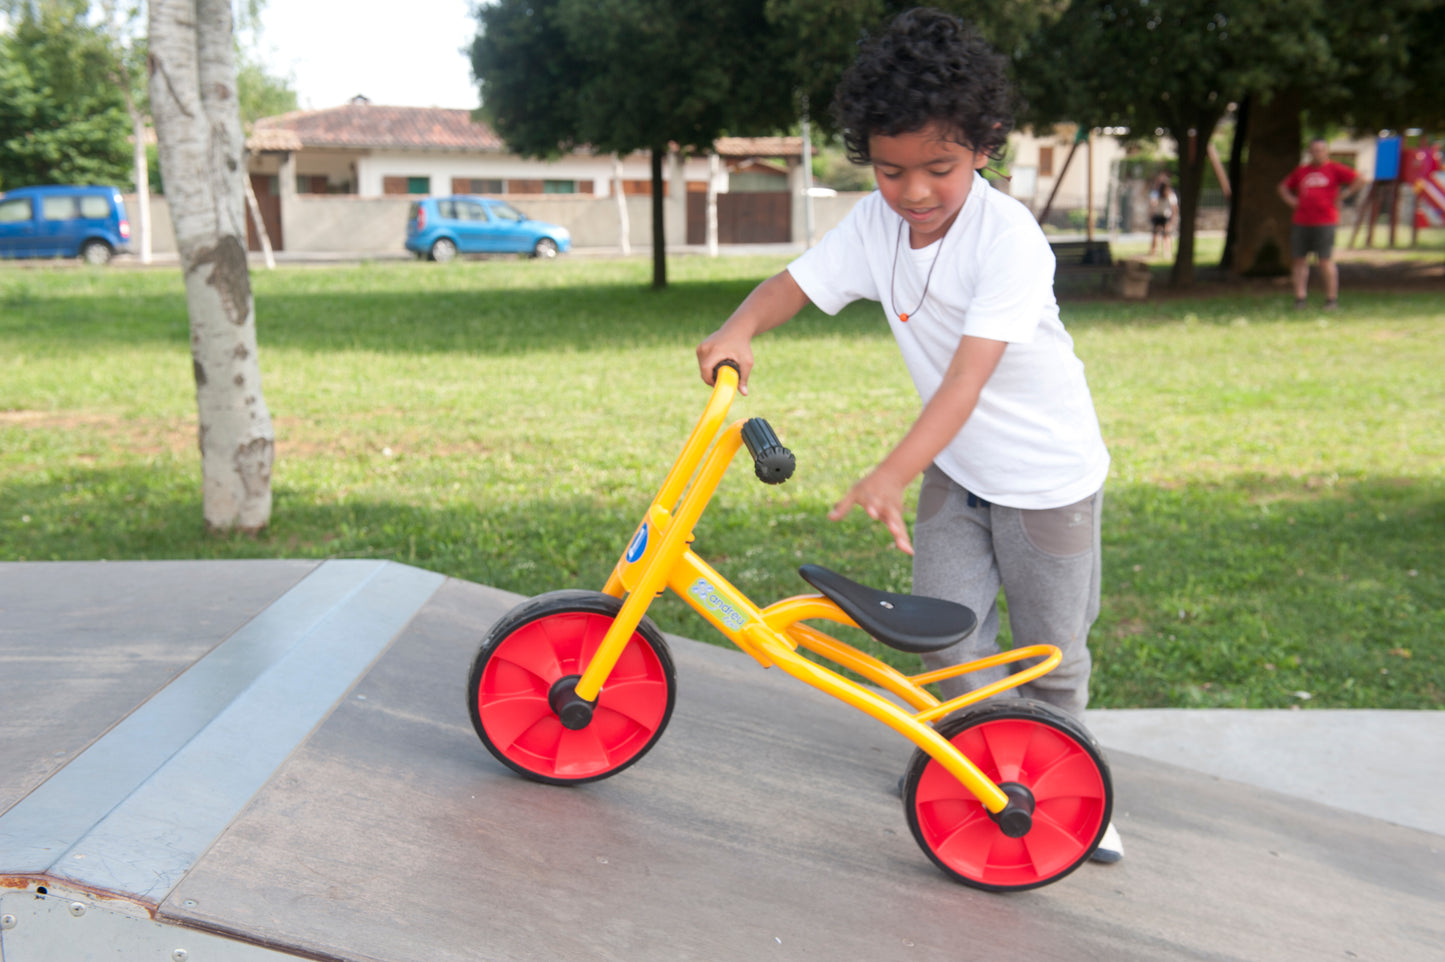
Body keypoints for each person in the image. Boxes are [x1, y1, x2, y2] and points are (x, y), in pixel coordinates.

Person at [694, 7, 1120, 863]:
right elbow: (797, 284)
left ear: (983, 147)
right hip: (956, 475)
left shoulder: (1009, 242)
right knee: (949, 641)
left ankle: (1075, 796)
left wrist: (889, 472)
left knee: (1050, 656)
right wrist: (739, 329)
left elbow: (966, 380)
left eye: (939, 168)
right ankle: (961, 766)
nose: (914, 193)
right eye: (890, 171)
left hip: (1045, 482)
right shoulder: (876, 224)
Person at [1277, 139, 1365, 310]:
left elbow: (1360, 179)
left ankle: (1331, 299)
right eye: (1314, 150)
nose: (1317, 153)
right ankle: (1300, 299)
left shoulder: (1335, 169)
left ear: (1326, 152)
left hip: (1325, 221)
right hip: (1301, 221)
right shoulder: (1301, 171)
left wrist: (1344, 194)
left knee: (1325, 260)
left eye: (1320, 150)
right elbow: (1283, 187)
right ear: (1310, 152)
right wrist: (1292, 201)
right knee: (1299, 260)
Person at [1147, 172, 1177, 258]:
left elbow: (1173, 207)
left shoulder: (1168, 195)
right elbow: (1174, 208)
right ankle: (1158, 251)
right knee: (1160, 235)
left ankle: (1163, 252)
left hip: (1163, 216)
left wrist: (1151, 212)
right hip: (1162, 215)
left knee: (1163, 234)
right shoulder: (1160, 194)